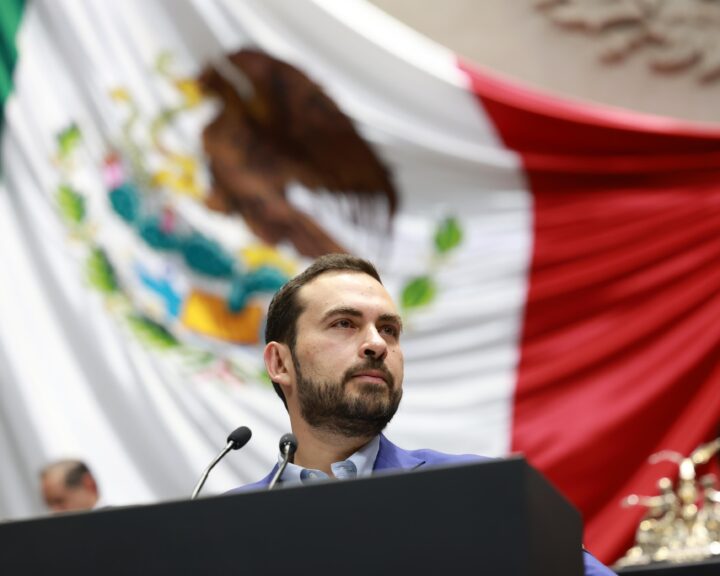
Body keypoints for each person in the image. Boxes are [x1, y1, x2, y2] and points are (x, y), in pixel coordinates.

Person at [231, 253, 614, 575]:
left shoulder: (481, 493)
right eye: (344, 323)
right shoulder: (224, 527)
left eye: (389, 329)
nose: (377, 344)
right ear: (280, 363)